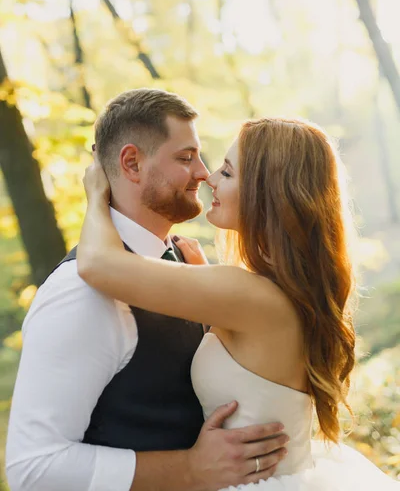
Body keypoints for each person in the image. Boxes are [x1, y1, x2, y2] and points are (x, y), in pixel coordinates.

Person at [77, 115, 399, 490]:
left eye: (227, 173)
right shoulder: (289, 291)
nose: (209, 178)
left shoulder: (248, 294)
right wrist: (205, 278)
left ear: (267, 193)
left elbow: (98, 265)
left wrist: (97, 195)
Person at [6, 89, 288, 491]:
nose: (204, 173)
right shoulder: (80, 293)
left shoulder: (185, 266)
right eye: (185, 157)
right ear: (132, 163)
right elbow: (33, 469)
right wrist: (188, 469)